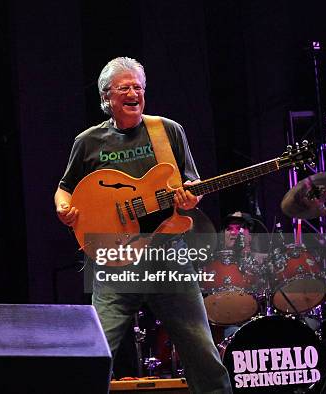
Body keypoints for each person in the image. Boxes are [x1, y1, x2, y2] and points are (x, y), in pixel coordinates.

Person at [54, 57, 232, 393]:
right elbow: (64, 187)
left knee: (204, 355)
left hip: (169, 259)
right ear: (107, 97)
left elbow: (190, 183)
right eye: (125, 87)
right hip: (114, 263)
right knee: (96, 354)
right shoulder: (88, 141)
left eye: (138, 87)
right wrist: (63, 206)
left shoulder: (168, 131)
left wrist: (190, 199)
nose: (134, 92)